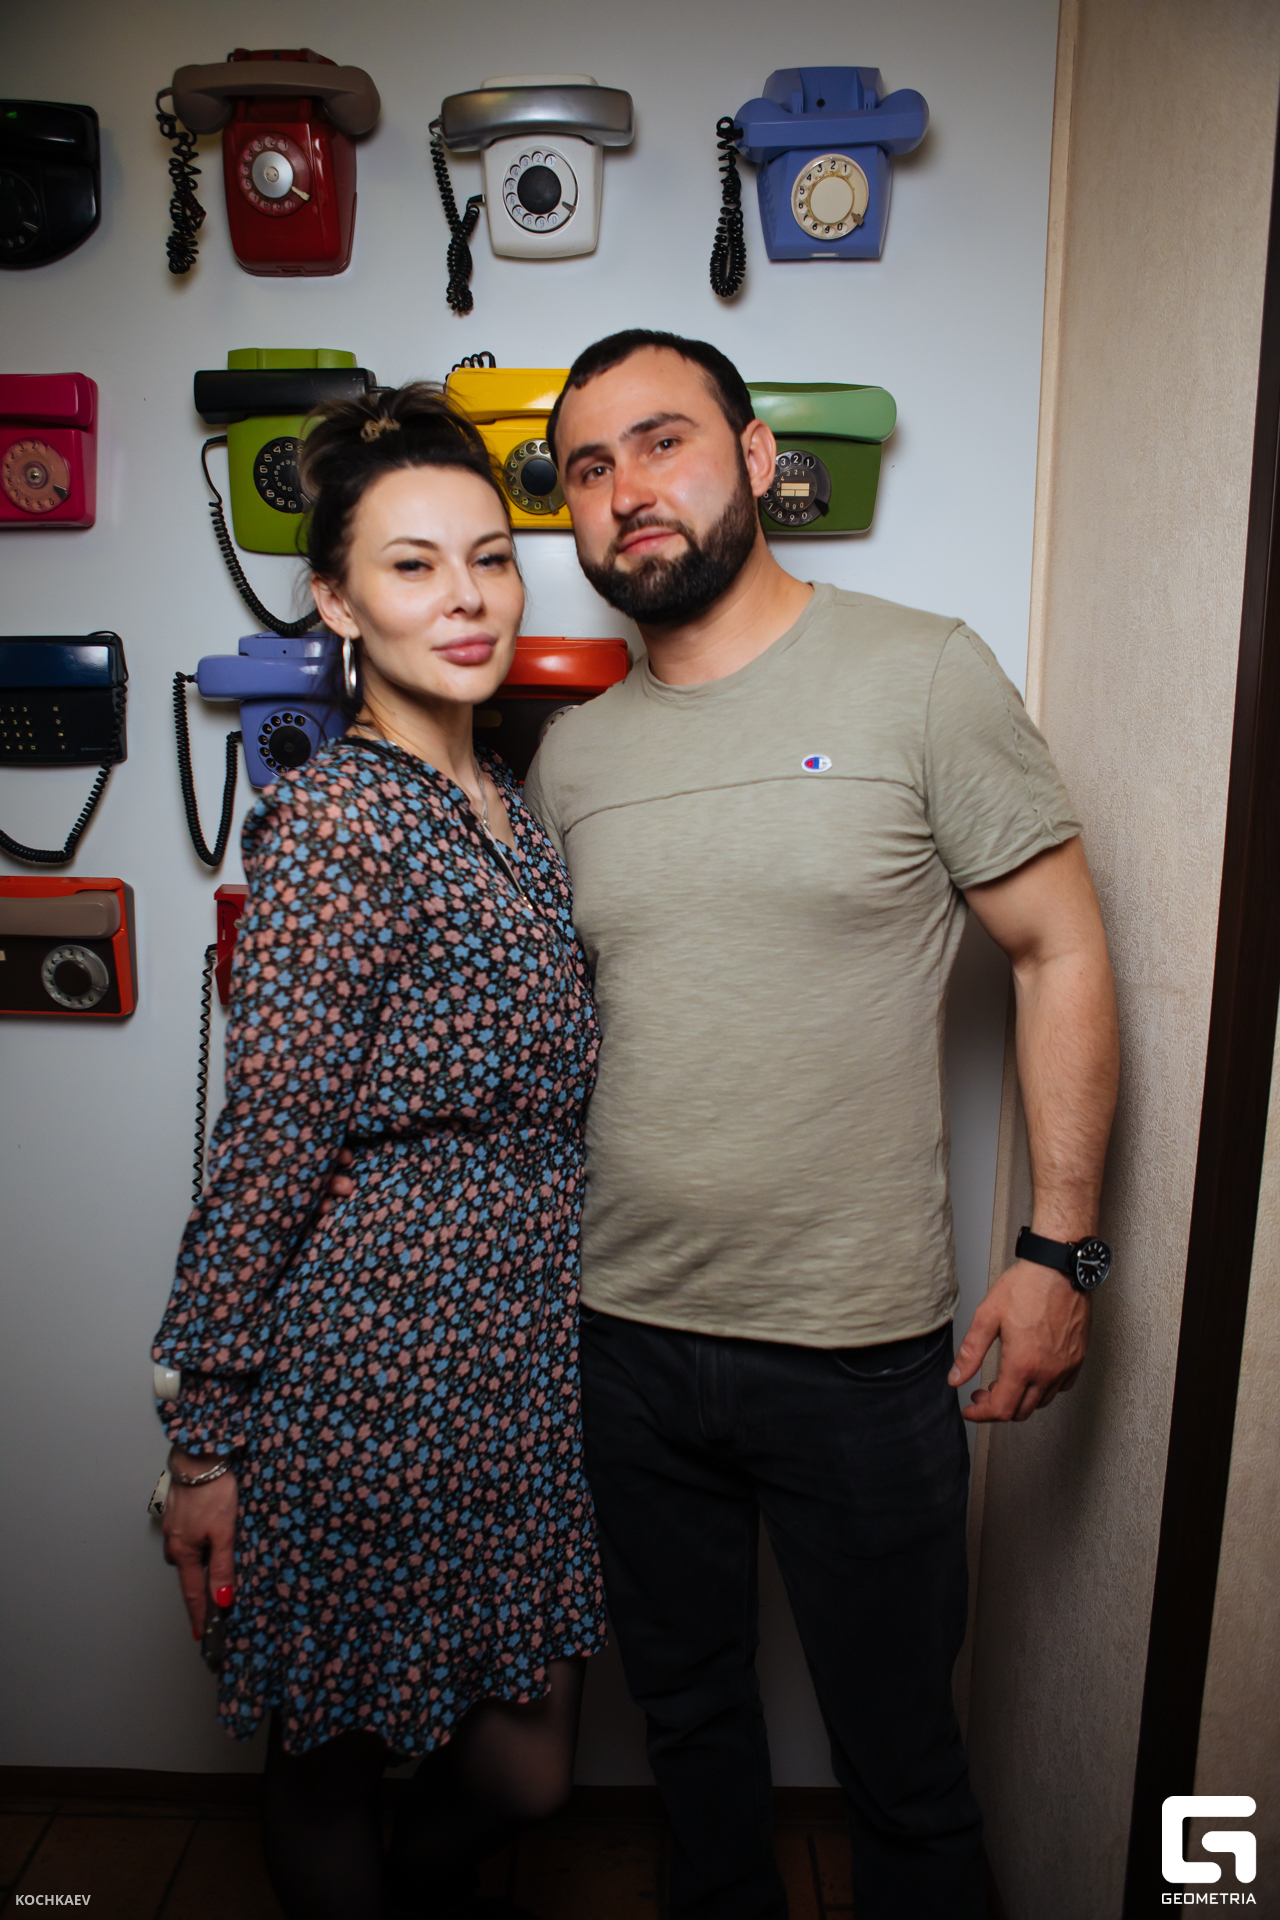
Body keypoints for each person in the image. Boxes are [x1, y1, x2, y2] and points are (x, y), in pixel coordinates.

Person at [520, 330, 1120, 1920]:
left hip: (857, 1350)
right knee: (690, 1735)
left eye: (663, 442)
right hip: (623, 1341)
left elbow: (1060, 951)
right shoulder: (572, 759)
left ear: (758, 454)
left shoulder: (922, 674)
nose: (626, 492)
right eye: (588, 469)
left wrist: (1062, 1249)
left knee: (905, 1772)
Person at [152, 384, 606, 1920]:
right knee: (331, 1752)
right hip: (371, 1350)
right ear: (337, 602)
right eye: (412, 566)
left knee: (526, 1763)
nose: (465, 597)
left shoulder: (506, 807)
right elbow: (270, 1144)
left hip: (511, 1352)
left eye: (490, 557)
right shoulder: (340, 821)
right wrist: (206, 1441)